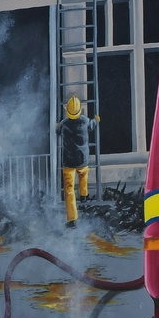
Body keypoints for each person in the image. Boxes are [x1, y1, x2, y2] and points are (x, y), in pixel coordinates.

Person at [57, 95, 91, 227]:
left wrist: (57, 126)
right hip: (83, 159)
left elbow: (57, 131)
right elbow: (92, 125)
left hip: (68, 162)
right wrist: (96, 120)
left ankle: (72, 219)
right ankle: (84, 195)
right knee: (83, 177)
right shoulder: (85, 121)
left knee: (69, 190)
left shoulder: (64, 124)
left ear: (67, 110)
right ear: (80, 109)